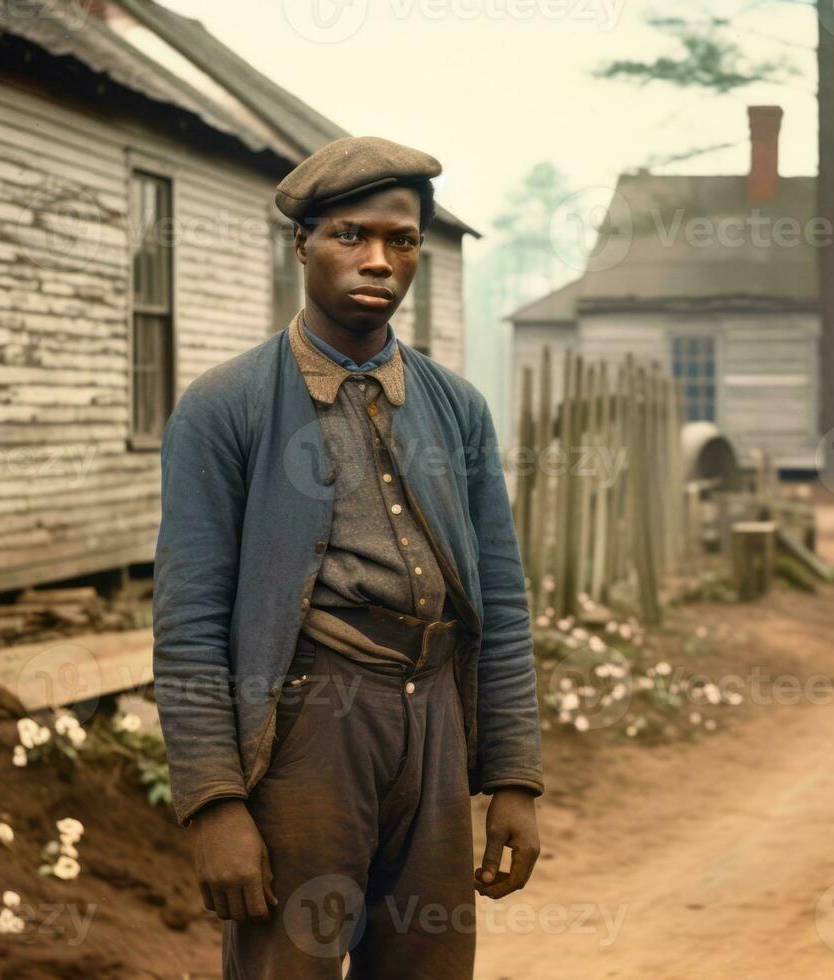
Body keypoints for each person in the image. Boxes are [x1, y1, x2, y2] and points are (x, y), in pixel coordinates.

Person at [152, 136, 543, 978]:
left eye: (400, 241)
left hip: (435, 721)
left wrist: (512, 777)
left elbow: (500, 602)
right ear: (302, 244)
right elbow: (188, 622)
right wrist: (214, 803)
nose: (377, 260)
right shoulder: (226, 407)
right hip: (307, 729)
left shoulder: (456, 409)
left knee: (428, 963)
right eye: (349, 236)